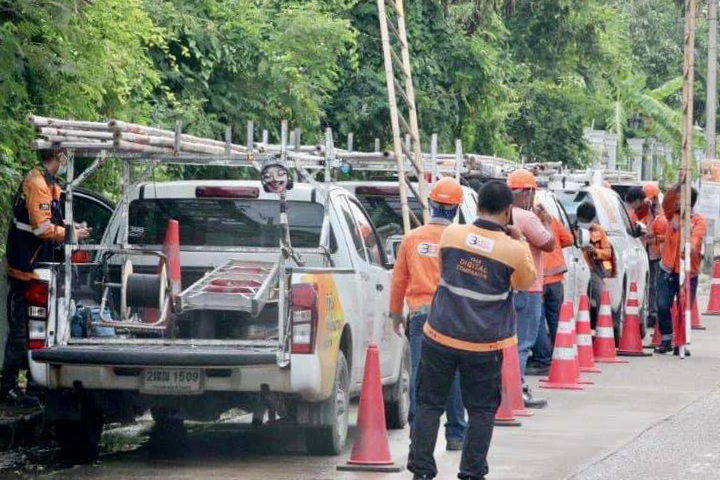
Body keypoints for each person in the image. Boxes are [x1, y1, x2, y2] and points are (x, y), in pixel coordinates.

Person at [407, 180, 536, 480]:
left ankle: (422, 471)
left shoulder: (452, 235)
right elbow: (525, 283)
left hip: (439, 335)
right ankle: (471, 473)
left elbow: (445, 270)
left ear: (476, 208)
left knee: (428, 403)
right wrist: (520, 242)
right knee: (480, 410)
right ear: (508, 212)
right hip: (484, 345)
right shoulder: (513, 250)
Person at [1, 149, 92, 407]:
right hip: (26, 267)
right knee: (23, 330)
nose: (67, 163)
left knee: (36, 329)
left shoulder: (48, 183)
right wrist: (71, 234)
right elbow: (42, 228)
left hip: (35, 266)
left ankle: (31, 383)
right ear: (60, 157)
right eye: (67, 158)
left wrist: (72, 229)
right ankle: (7, 386)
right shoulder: (37, 183)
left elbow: (54, 217)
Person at [390, 177, 467, 451]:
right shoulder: (461, 240)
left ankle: (417, 434)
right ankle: (457, 433)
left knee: (422, 376)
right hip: (454, 316)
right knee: (455, 374)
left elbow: (399, 281)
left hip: (422, 316)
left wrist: (395, 315)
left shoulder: (412, 238)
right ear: (456, 208)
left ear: (431, 203)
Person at [507, 169, 554, 408]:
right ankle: (518, 390)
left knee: (505, 342)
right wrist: (546, 222)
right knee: (523, 343)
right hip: (528, 287)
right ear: (526, 192)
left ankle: (504, 389)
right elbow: (548, 243)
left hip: (504, 287)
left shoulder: (501, 215)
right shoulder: (526, 218)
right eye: (533, 192)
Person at [654, 178, 706, 355]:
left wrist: (688, 248)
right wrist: (678, 184)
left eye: (679, 198)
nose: (675, 202)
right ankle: (666, 339)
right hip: (668, 269)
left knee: (684, 310)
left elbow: (697, 239)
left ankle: (681, 343)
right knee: (662, 305)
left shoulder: (698, 221)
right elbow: (666, 201)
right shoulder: (671, 215)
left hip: (688, 272)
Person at [528, 215, 575, 376]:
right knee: (556, 319)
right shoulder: (552, 220)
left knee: (538, 321)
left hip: (539, 280)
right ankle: (562, 355)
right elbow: (569, 239)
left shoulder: (526, 221)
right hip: (556, 280)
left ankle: (542, 359)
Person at [574, 202, 612, 329]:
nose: (584, 224)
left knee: (602, 298)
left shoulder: (598, 230)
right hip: (575, 270)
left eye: (587, 221)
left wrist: (595, 252)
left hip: (593, 271)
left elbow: (607, 253)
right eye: (582, 220)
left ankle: (603, 330)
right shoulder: (570, 229)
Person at [642, 182, 663, 325]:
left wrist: (653, 238)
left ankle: (654, 312)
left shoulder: (662, 214)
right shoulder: (644, 213)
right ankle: (649, 311)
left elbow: (668, 236)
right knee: (648, 284)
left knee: (655, 284)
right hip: (645, 253)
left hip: (657, 255)